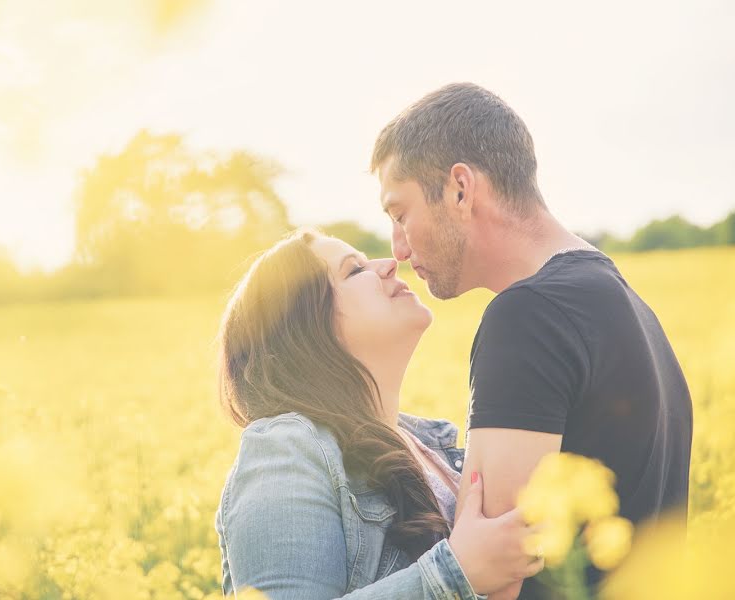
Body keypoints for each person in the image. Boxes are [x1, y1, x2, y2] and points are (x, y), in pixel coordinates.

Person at [370, 82, 693, 599]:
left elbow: (491, 580)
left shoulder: (529, 317)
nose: (399, 249)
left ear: (460, 188)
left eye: (399, 213)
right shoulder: (622, 300)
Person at [214, 229, 545, 599]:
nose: (390, 264)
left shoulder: (432, 443)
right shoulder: (289, 447)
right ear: (306, 327)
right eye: (354, 270)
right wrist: (457, 574)